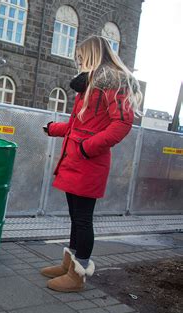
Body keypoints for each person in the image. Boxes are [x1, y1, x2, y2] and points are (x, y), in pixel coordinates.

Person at [41, 35, 142, 292]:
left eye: (81, 56)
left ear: (92, 54)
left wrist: (87, 148)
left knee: (83, 219)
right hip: (76, 160)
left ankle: (77, 275)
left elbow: (122, 124)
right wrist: (53, 128)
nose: (79, 61)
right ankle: (69, 264)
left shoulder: (112, 81)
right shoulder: (90, 84)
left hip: (87, 161)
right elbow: (79, 125)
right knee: (76, 218)